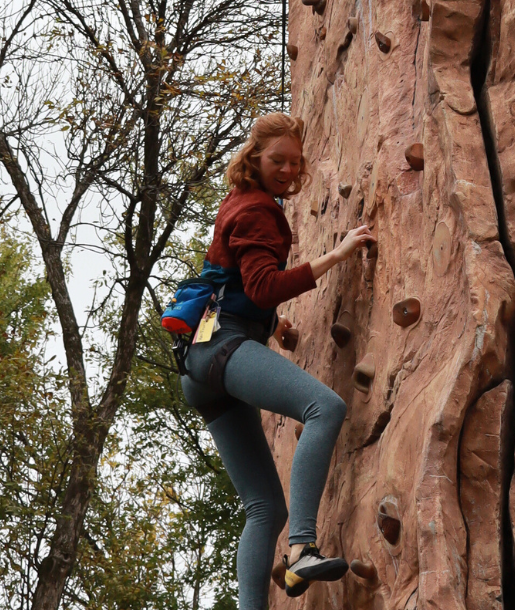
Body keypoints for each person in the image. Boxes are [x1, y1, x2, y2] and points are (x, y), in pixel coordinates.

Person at [180, 112, 375, 608]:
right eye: (277, 160)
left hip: (202, 366)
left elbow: (239, 285)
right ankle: (304, 548)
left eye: (295, 161)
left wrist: (272, 326)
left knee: (264, 505)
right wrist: (338, 253)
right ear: (254, 158)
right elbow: (264, 285)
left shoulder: (238, 203)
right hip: (222, 350)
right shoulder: (258, 210)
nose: (288, 169)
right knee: (324, 408)